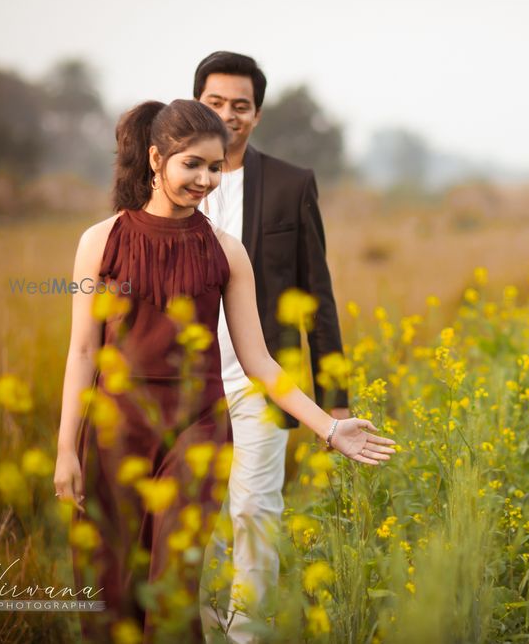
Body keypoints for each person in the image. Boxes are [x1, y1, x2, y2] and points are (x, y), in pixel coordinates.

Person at [52, 98, 395, 642]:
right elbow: (83, 353)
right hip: (117, 429)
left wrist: (328, 427)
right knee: (110, 590)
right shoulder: (99, 242)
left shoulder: (226, 251)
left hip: (198, 427)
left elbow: (259, 361)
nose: (206, 179)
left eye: (215, 166)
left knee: (171, 583)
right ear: (155, 158)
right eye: (192, 164)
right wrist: (67, 448)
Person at [192, 50, 351, 640]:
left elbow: (319, 295)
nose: (228, 115)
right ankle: (203, 630)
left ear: (256, 115)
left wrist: (334, 400)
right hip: (186, 383)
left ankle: (248, 636)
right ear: (196, 104)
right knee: (198, 521)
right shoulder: (166, 183)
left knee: (255, 512)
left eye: (241, 105)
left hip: (264, 382)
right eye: (216, 102)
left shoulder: (291, 185)